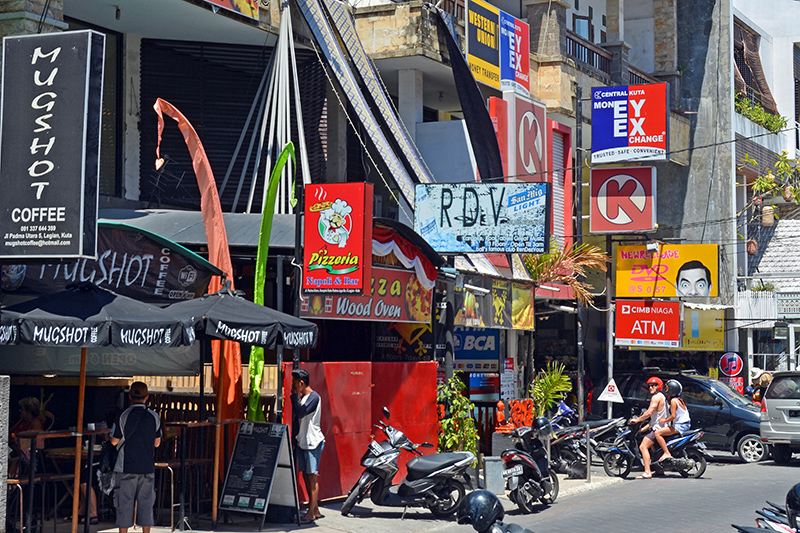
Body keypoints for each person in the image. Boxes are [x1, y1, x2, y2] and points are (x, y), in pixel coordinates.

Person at [111, 382, 161, 533]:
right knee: (146, 504)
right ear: (147, 397)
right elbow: (157, 443)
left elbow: (114, 441)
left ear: (130, 397)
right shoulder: (154, 416)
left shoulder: (123, 415)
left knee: (124, 504)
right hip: (147, 466)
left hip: (126, 466)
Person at [291, 368, 325, 524]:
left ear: (301, 383)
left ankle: (311, 512)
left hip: (313, 442)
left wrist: (293, 397)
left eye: (294, 383)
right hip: (303, 441)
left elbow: (300, 413)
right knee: (305, 474)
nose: (293, 385)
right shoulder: (304, 398)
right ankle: (315, 508)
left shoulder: (314, 398)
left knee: (312, 476)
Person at [630, 376, 668, 479]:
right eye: (649, 386)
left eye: (653, 385)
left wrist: (637, 420)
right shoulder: (661, 396)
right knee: (655, 449)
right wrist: (644, 428)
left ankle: (647, 472)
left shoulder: (656, 397)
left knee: (643, 447)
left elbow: (649, 412)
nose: (651, 387)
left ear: (658, 386)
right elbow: (654, 418)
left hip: (657, 428)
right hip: (658, 426)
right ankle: (659, 470)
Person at [654, 379, 691, 460]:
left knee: (657, 433)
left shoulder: (674, 401)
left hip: (679, 426)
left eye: (667, 389)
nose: (666, 390)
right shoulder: (680, 400)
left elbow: (673, 416)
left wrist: (664, 420)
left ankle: (666, 452)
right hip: (685, 424)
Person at [9, 397, 44, 473]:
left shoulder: (35, 422)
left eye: (22, 409)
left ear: (29, 411)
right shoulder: (22, 421)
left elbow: (37, 435)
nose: (20, 411)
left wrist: (18, 437)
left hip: (24, 455)